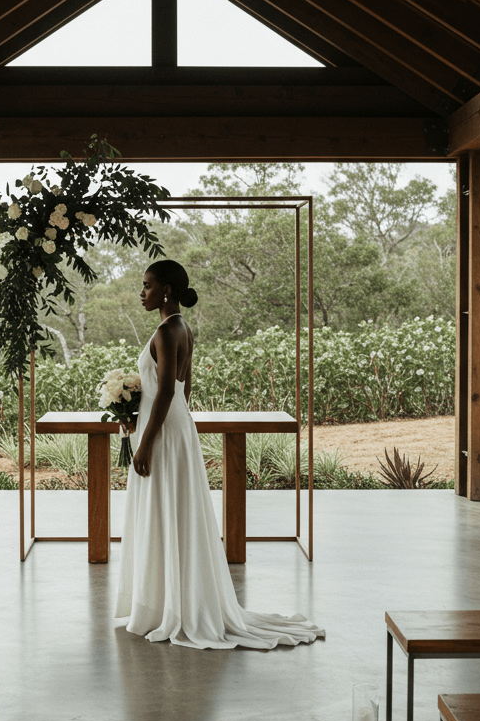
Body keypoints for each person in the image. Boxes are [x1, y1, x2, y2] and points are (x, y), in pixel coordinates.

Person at [115, 259, 324, 649]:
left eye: (146, 286)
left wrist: (145, 443)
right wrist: (140, 419)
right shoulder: (183, 328)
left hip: (162, 431)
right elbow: (183, 391)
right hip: (176, 426)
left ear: (167, 291)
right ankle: (168, 602)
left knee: (166, 507)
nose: (141, 293)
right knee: (173, 508)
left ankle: (168, 607)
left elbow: (164, 392)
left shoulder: (165, 330)